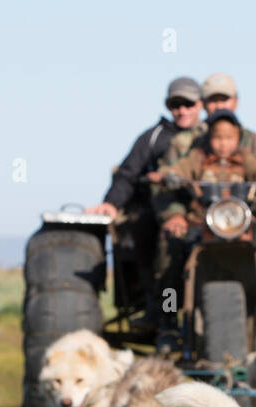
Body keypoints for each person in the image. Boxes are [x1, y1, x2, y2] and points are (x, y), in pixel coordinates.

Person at [85, 76, 203, 326]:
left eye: (188, 104)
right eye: (176, 104)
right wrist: (112, 203)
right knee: (162, 254)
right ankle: (162, 314)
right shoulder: (153, 138)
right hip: (160, 212)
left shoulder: (212, 136)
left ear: (200, 105)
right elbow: (128, 174)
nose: (182, 111)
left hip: (206, 213)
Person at [153, 110, 256, 300]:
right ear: (209, 137)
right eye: (217, 137)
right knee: (171, 248)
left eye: (229, 138)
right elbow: (177, 170)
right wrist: (165, 176)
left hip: (244, 225)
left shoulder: (246, 161)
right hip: (201, 224)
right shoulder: (197, 157)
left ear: (238, 138)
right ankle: (169, 315)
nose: (223, 143)